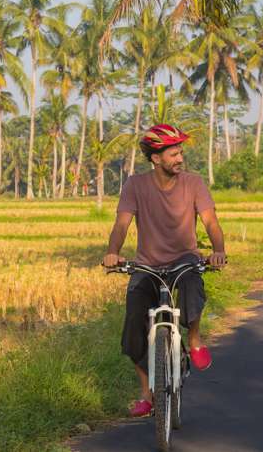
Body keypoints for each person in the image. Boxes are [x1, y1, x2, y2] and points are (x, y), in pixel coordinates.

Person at [102, 124, 227, 417]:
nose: (180, 158)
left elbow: (210, 222)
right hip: (147, 263)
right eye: (173, 154)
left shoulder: (194, 184)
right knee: (134, 319)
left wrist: (218, 251)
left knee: (193, 285)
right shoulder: (135, 185)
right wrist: (113, 253)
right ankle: (146, 394)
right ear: (156, 159)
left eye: (181, 152)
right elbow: (122, 224)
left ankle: (194, 339)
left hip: (184, 258)